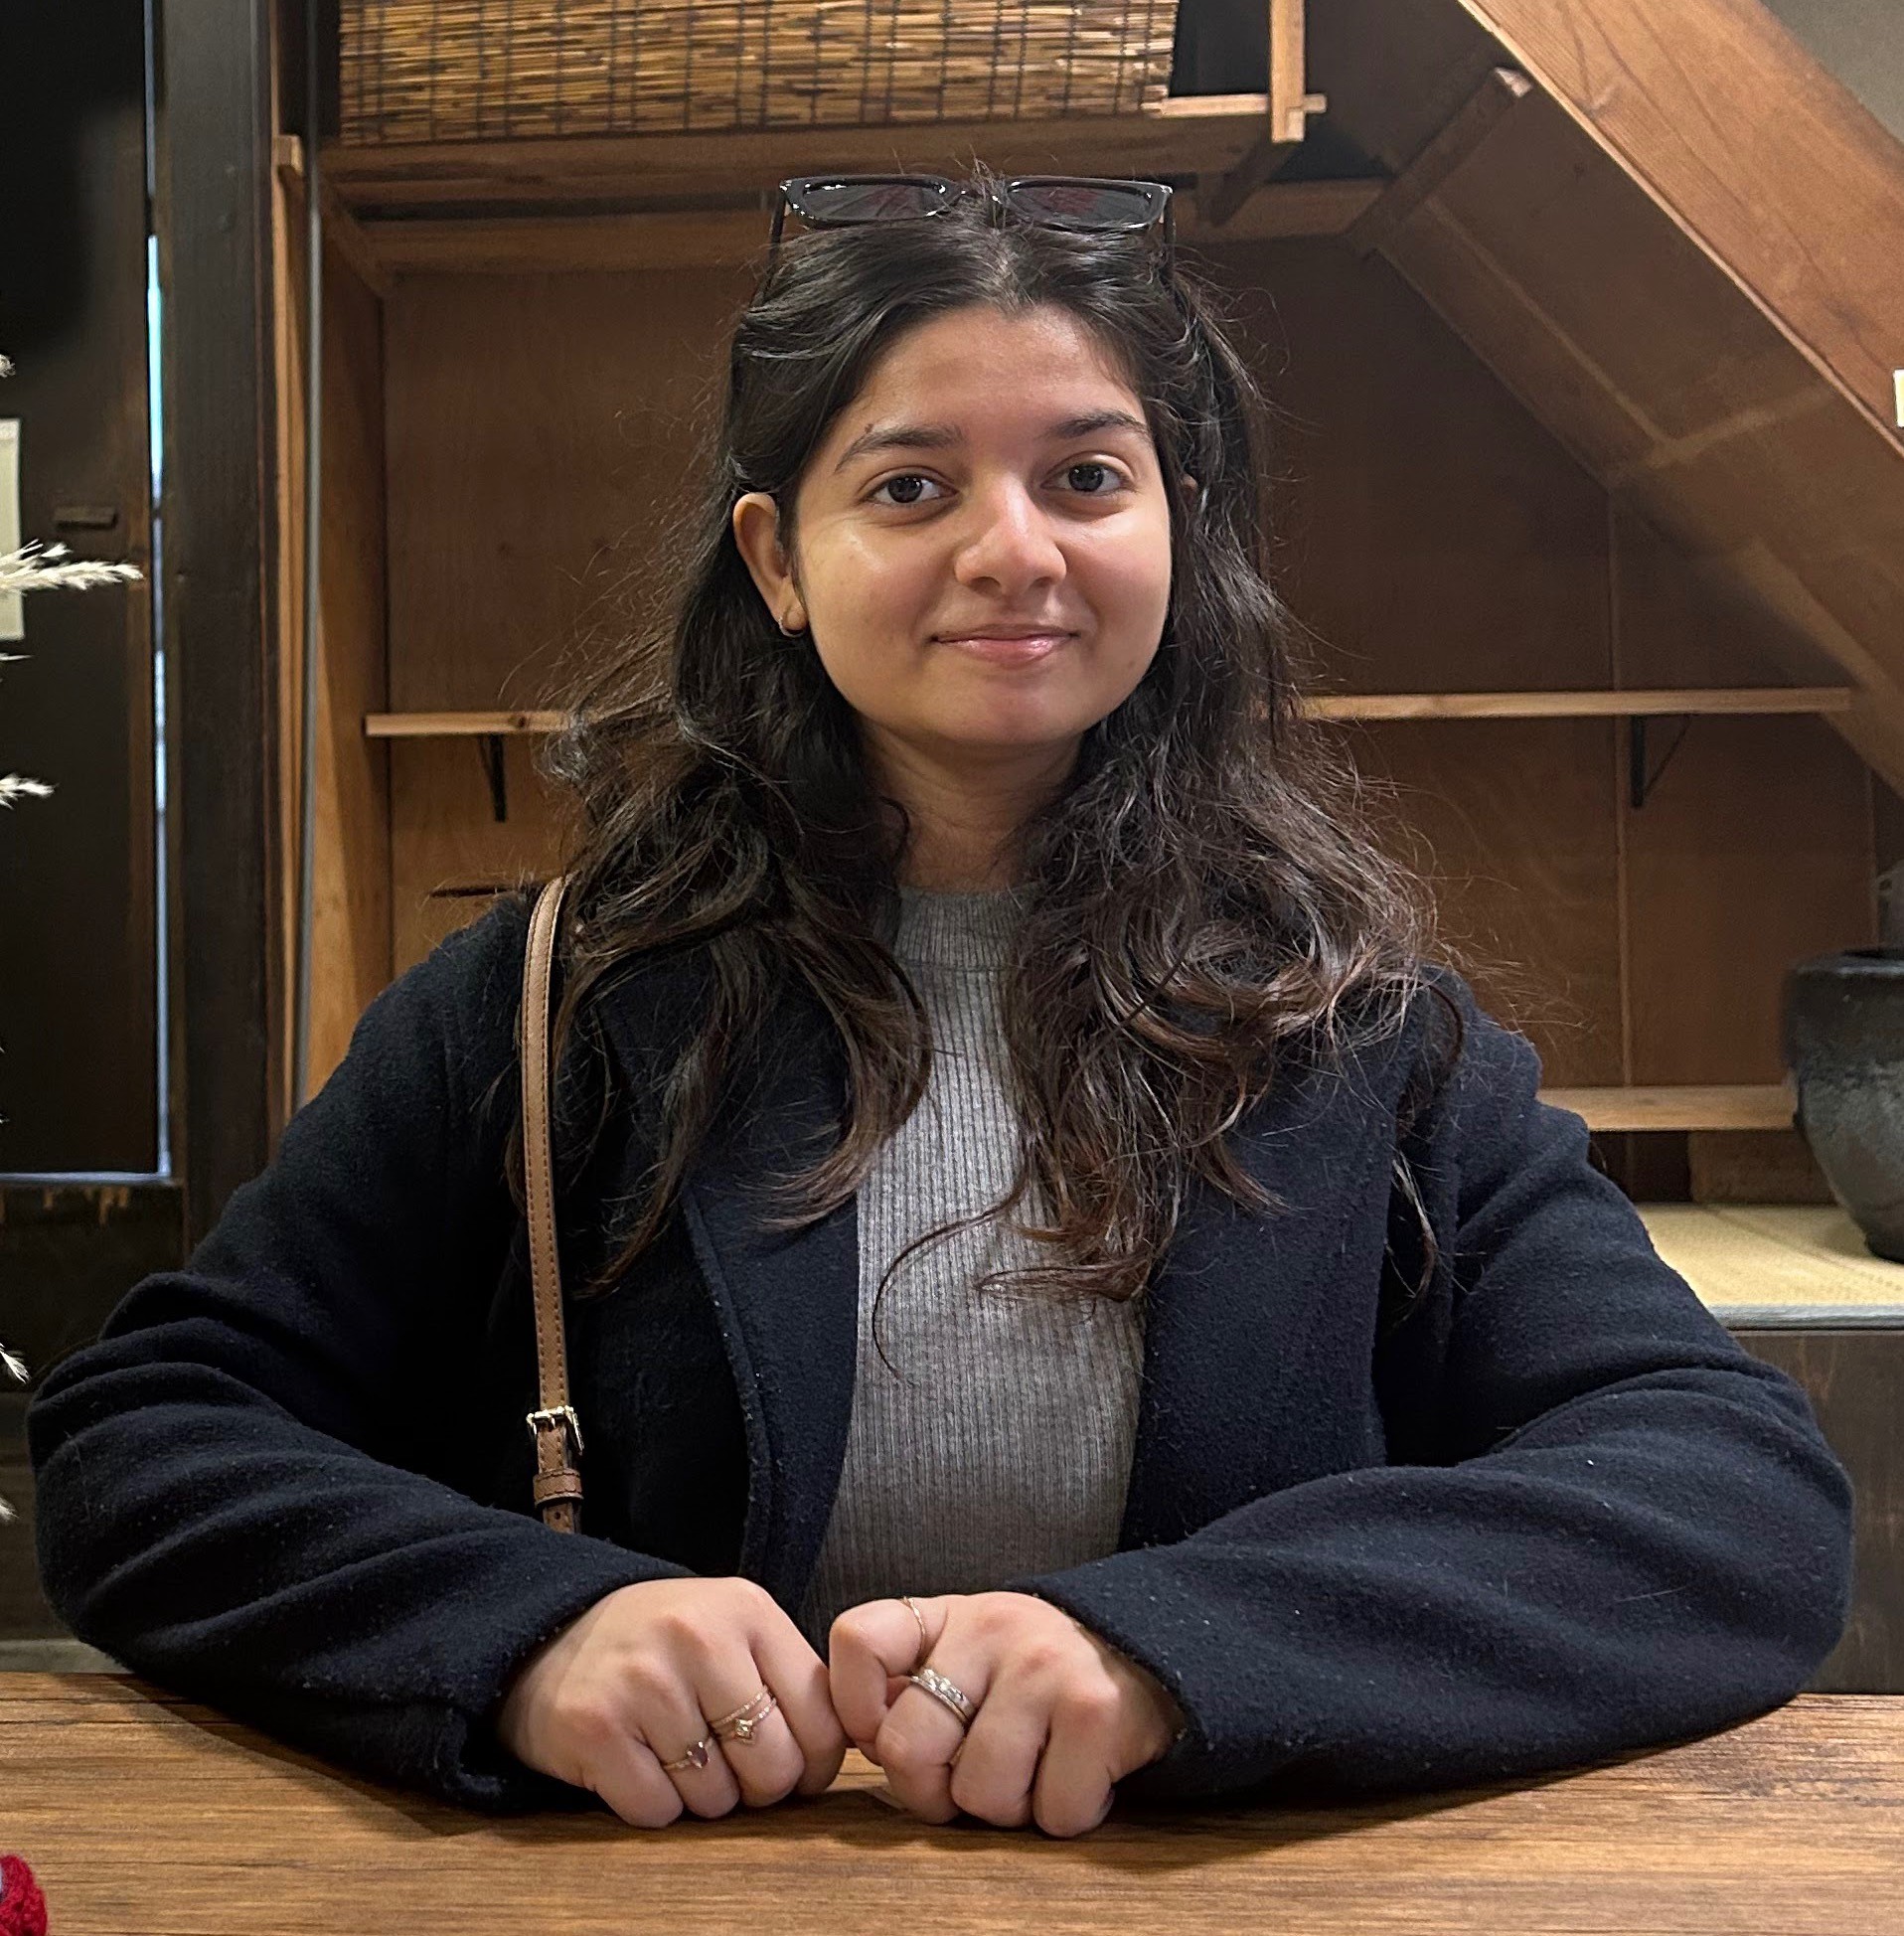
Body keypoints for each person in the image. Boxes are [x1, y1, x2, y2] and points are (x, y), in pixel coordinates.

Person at [28, 168, 1852, 1842]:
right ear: (775, 560)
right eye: (911, 485)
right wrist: (528, 1631)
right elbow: (146, 1440)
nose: (1014, 550)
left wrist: (1171, 1652)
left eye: (1086, 474)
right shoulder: (554, 1000)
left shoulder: (1358, 1032)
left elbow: (1731, 1495)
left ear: (1174, 524)